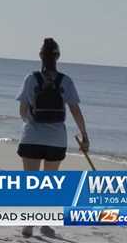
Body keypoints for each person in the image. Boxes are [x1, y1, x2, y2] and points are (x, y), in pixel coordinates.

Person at [16, 38, 89, 238]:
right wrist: (84, 136)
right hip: (56, 140)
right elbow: (75, 110)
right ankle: (45, 225)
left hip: (31, 137)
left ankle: (28, 224)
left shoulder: (31, 78)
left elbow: (22, 111)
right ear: (58, 57)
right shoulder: (65, 81)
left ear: (40, 56)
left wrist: (32, 119)